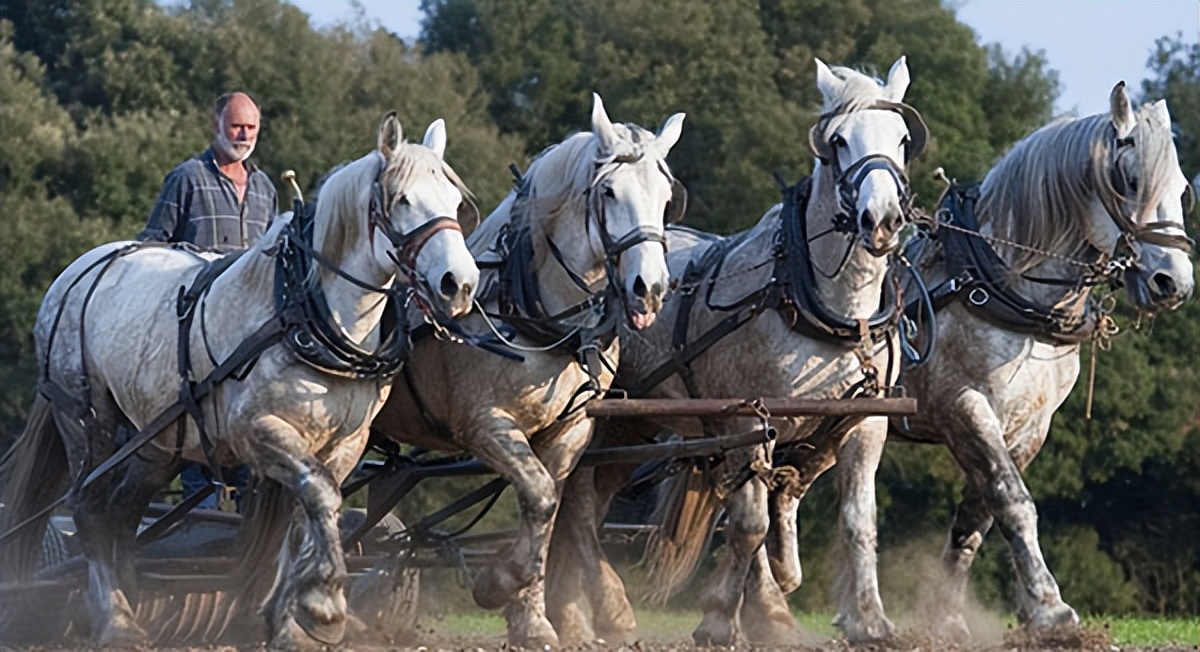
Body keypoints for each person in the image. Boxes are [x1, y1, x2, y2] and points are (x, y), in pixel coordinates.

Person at [139, 91, 277, 510]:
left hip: (248, 338)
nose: (244, 134)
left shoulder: (265, 187)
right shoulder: (187, 178)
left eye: (251, 127)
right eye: (236, 125)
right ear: (215, 124)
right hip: (196, 332)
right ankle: (195, 524)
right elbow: (151, 246)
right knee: (198, 434)